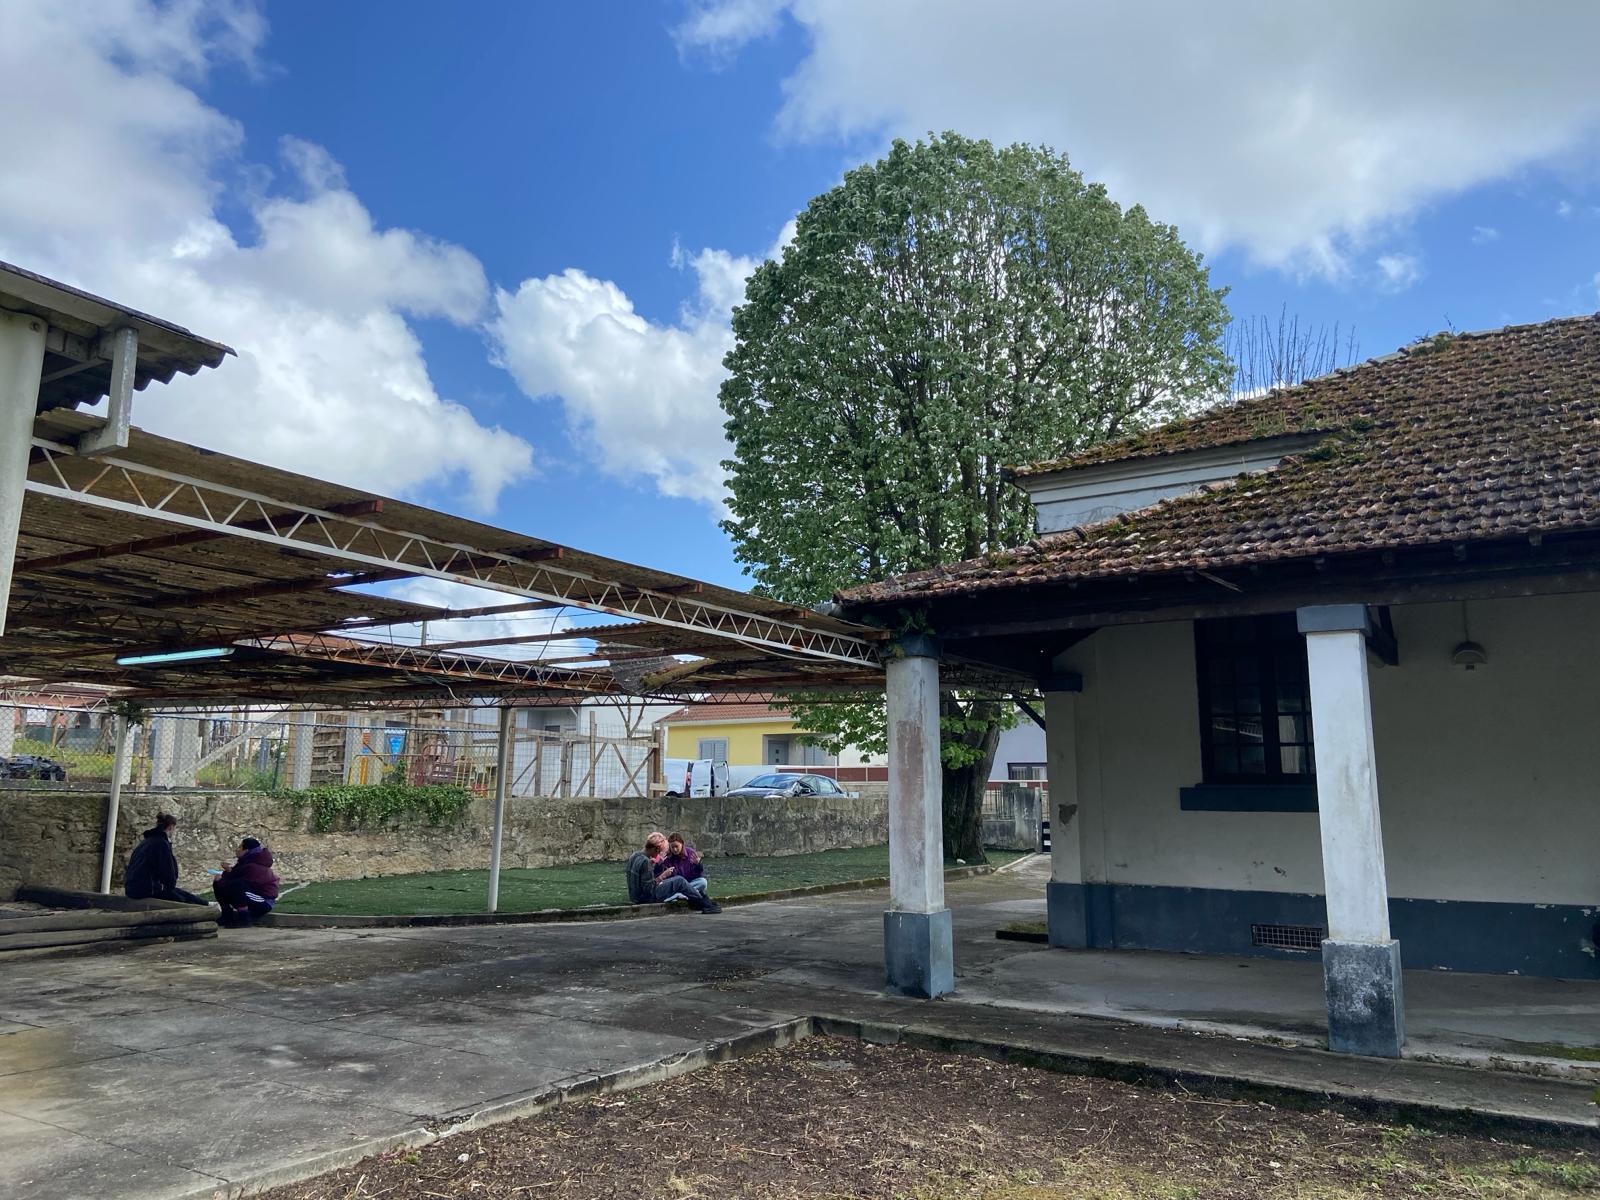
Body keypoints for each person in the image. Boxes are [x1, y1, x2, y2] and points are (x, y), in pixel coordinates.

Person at [123, 812, 208, 905]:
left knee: (181, 894)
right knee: (182, 900)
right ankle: (208, 907)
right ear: (171, 827)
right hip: (146, 890)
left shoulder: (146, 841)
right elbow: (168, 874)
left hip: (133, 888)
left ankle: (207, 904)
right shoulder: (161, 844)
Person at [626, 832, 719, 913]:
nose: (659, 855)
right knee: (679, 880)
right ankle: (705, 903)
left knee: (695, 881)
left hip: (634, 897)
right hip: (645, 899)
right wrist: (662, 876)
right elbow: (649, 890)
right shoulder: (646, 862)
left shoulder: (634, 855)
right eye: (660, 852)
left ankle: (698, 900)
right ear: (656, 849)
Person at [213, 837, 279, 927]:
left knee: (236, 885)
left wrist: (228, 874)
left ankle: (244, 918)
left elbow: (241, 882)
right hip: (251, 896)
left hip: (263, 901)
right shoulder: (245, 863)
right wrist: (226, 873)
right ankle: (227, 914)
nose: (237, 849)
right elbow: (234, 876)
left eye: (240, 847)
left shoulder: (255, 866)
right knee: (219, 881)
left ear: (246, 850)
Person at [654, 832, 710, 902]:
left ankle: (678, 895)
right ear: (669, 847)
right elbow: (657, 877)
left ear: (682, 844)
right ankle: (681, 895)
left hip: (689, 884)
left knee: (703, 882)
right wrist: (659, 864)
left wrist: (698, 864)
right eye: (672, 847)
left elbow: (698, 875)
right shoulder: (665, 857)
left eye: (677, 846)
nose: (675, 849)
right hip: (674, 887)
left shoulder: (691, 853)